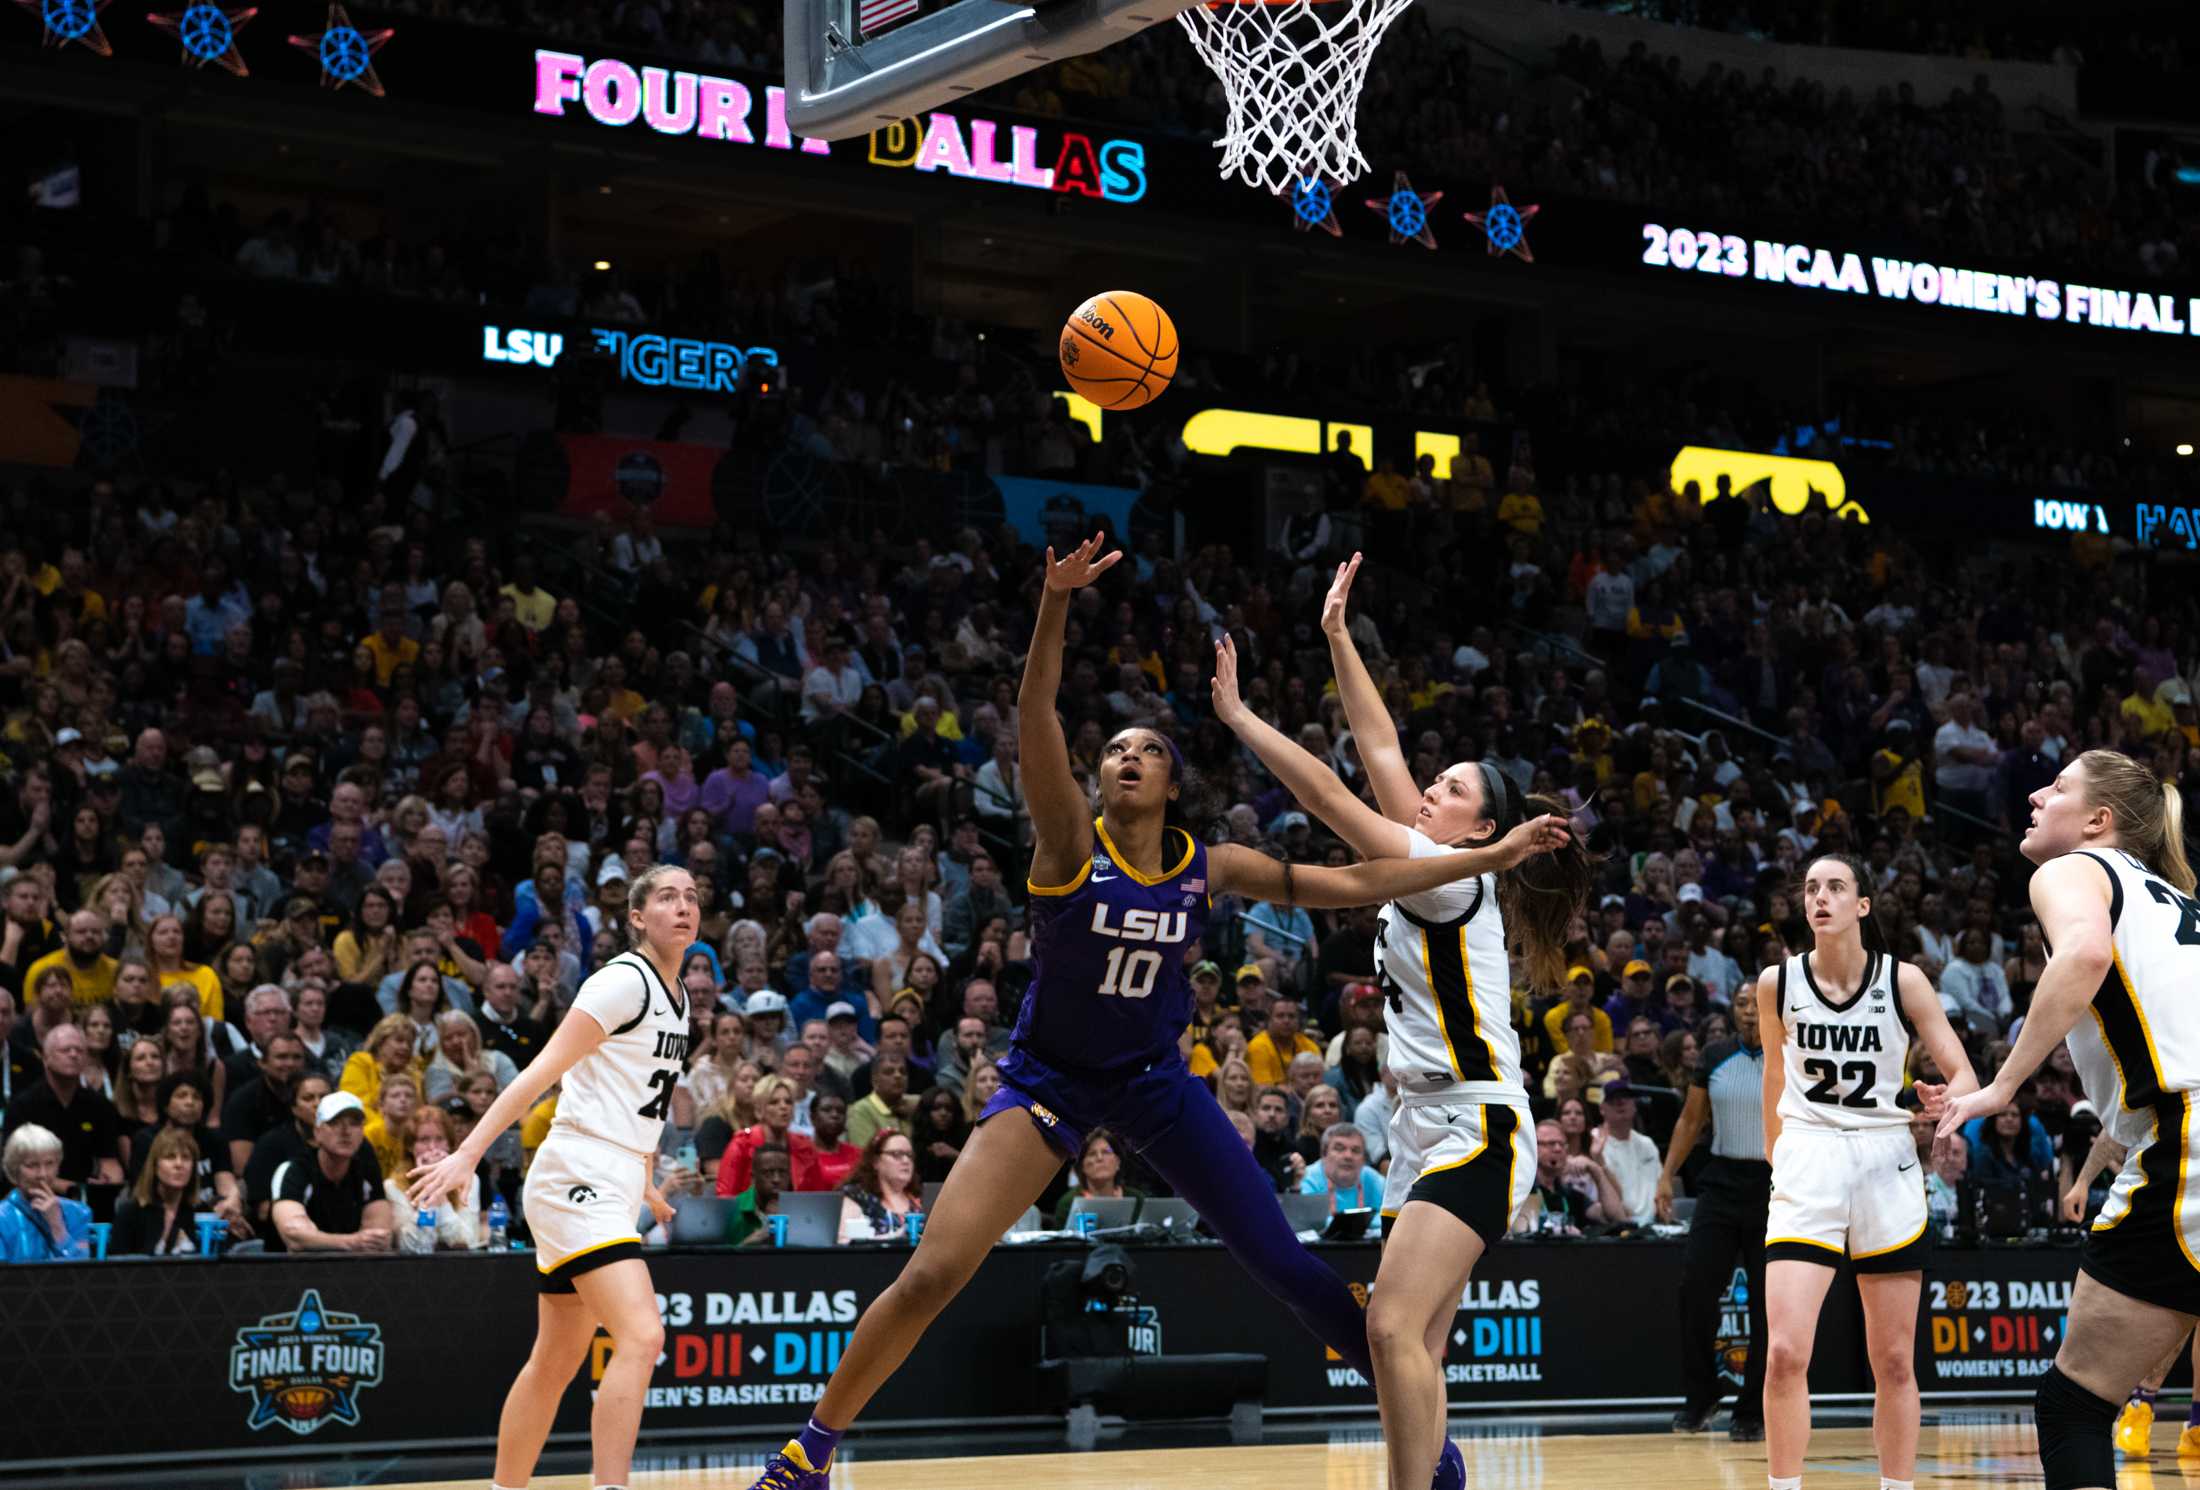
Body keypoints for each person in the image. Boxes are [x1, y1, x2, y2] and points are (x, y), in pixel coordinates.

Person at [744, 537, 1570, 1490]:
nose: (1127, 756)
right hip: (1050, 1078)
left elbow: (1354, 863)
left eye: (1147, 749)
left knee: (1289, 1268)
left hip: (1160, 1084)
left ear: (1176, 783)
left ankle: (1424, 1442)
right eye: (1114, 751)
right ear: (1096, 779)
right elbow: (1036, 713)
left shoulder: (1216, 863)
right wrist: (1055, 603)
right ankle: (808, 1448)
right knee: (933, 1271)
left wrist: (1489, 855)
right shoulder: (1065, 844)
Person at [1206, 552, 1587, 1490]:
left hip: (1478, 1126)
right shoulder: (1439, 863)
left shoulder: (1454, 886)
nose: (1428, 790)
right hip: (1428, 1126)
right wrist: (1337, 635)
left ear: (1476, 828)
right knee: (1411, 1341)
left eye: (1451, 789)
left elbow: (1331, 795)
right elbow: (1377, 749)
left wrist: (1242, 717)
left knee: (1385, 1325)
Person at [1934, 751, 2200, 1490]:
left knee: (2072, 1407)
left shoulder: (2074, 871)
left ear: (2097, 821)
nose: (2035, 793)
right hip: (2174, 1127)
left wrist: (2000, 1086)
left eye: (2057, 787)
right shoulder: (2177, 904)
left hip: (2186, 1139)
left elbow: (2083, 950)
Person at [408, 865, 697, 1490]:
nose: (684, 906)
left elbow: (636, 1097)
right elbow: (540, 1074)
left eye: (692, 897)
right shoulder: (623, 981)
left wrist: (644, 1177)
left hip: (612, 1175)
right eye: (668, 897)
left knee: (555, 1360)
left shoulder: (681, 999)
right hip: (576, 1172)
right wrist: (467, 1154)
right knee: (643, 1334)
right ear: (639, 917)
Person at [1757, 853, 1978, 1490]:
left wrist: (1945, 1100)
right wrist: (1779, 1151)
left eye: (1835, 887)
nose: (1819, 898)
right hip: (1810, 1153)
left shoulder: (1904, 980)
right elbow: (1775, 1071)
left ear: (1862, 905)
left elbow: (1962, 1074)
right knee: (1783, 1352)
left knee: (1893, 1361)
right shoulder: (1777, 982)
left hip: (1886, 1156)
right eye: (1810, 889)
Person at [1658, 979, 1770, 1440]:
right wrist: (1667, 1174)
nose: (1748, 1012)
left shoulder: (1796, 1056)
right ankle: (1702, 1396)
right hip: (1722, 1183)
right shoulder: (1714, 1056)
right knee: (1696, 1290)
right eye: (1742, 1004)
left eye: (1757, 1004)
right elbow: (1690, 1120)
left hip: (1775, 1185)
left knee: (1770, 1304)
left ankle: (1752, 1410)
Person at [268, 1091, 392, 1253]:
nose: (346, 1131)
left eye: (354, 1123)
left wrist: (366, 1241)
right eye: (335, 1122)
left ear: (362, 1132)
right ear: (317, 1132)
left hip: (353, 1270)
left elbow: (379, 1236)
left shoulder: (366, 1170)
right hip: (287, 1272)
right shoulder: (294, 1171)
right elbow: (295, 1237)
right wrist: (352, 1242)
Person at [0, 1124, 93, 1261]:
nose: (42, 1174)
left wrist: (57, 1226)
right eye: (32, 1165)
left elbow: (84, 1274)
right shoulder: (2, 1217)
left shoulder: (79, 1213)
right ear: (14, 1170)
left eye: (49, 1164)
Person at [111, 1125, 205, 1255]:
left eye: (186, 1158)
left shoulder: (202, 1212)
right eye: (170, 1157)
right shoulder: (130, 1213)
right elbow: (116, 1269)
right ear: (155, 1166)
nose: (179, 1164)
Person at [836, 1129, 924, 1243]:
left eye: (909, 1155)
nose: (906, 1160)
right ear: (875, 1161)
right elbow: (845, 1242)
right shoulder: (856, 1196)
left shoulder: (920, 1198)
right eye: (896, 1154)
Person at [1050, 1126, 1144, 1228]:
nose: (1100, 1158)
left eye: (1106, 1152)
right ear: (1081, 1165)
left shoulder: (1137, 1199)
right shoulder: (1068, 1203)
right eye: (1092, 1154)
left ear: (1118, 1162)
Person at [1300, 1120, 1385, 1232]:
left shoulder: (1375, 1180)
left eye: (1355, 1150)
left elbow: (1390, 1218)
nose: (1348, 1156)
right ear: (1324, 1154)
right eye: (1340, 1149)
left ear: (1364, 1159)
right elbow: (1311, 1223)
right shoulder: (1307, 1179)